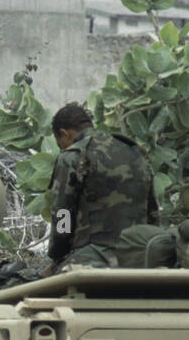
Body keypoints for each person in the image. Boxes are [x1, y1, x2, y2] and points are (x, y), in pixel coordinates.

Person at [46, 103, 158, 270]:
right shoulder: (134, 151)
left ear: (64, 133)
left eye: (59, 143)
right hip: (139, 257)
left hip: (94, 258)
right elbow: (153, 211)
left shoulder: (71, 157)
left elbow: (63, 214)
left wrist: (57, 256)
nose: (62, 148)